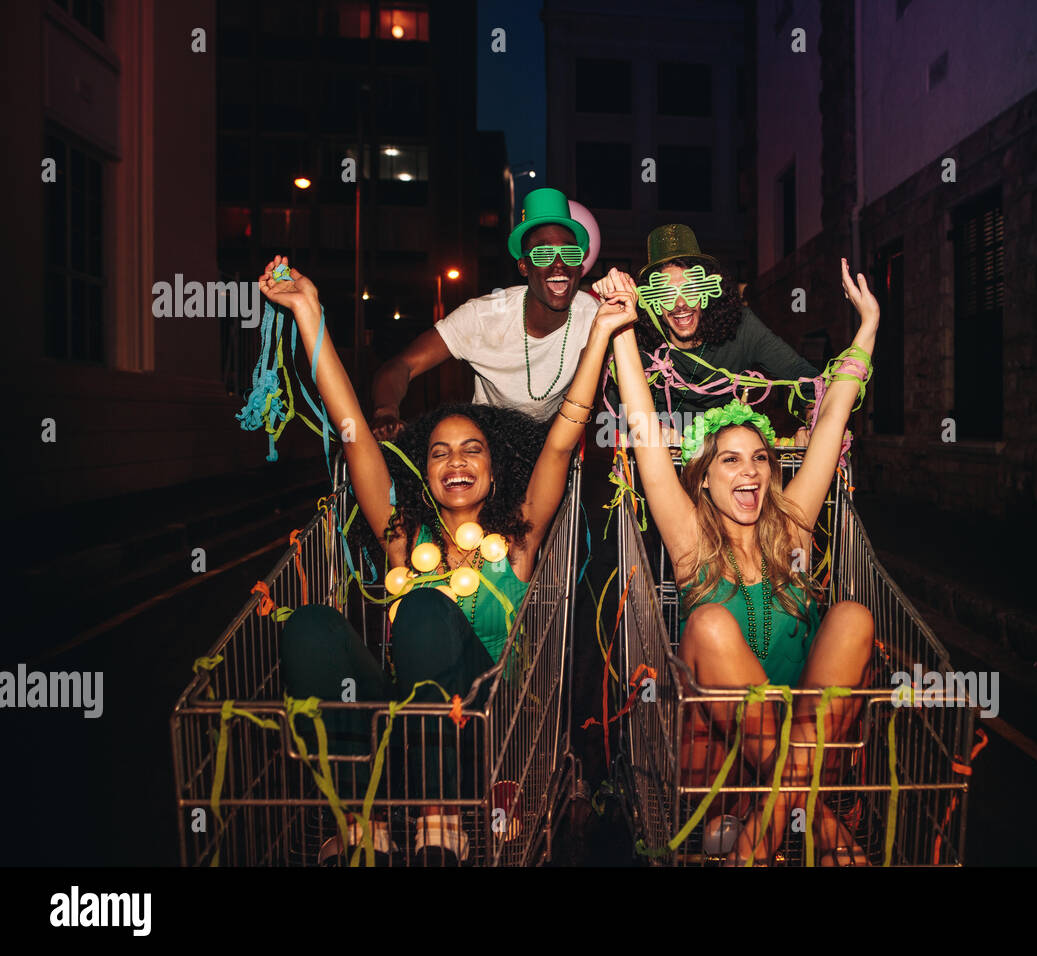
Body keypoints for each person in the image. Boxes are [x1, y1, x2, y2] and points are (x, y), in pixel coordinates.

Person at [258, 253, 636, 865]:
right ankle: (363, 818)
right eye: (438, 452)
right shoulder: (402, 537)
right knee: (308, 626)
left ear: (497, 467)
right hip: (408, 731)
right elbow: (352, 426)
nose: (455, 461)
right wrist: (309, 312)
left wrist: (601, 334)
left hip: (489, 738)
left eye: (471, 450)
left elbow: (566, 431)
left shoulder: (518, 539)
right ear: (422, 471)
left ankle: (440, 817)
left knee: (427, 612)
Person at [602, 257, 880, 865]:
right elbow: (646, 431)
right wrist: (623, 328)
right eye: (729, 460)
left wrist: (868, 328)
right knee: (709, 624)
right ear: (703, 480)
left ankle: (765, 833)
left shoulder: (793, 530)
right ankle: (821, 828)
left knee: (854, 616)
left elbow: (832, 419)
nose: (750, 469)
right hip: (720, 769)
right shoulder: (691, 546)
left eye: (759, 457)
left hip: (806, 744)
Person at [370, 187, 601, 437]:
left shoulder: (594, 317)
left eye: (569, 253)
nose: (559, 264)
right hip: (487, 449)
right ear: (524, 266)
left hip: (552, 449)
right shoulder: (483, 317)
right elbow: (402, 365)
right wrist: (385, 412)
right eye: (543, 254)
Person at [595, 224, 820, 438]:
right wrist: (655, 433)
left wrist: (813, 416)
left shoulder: (741, 327)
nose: (680, 303)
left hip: (722, 461)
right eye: (665, 293)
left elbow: (802, 375)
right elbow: (614, 411)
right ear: (650, 301)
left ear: (709, 292)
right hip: (658, 459)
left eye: (692, 289)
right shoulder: (637, 339)